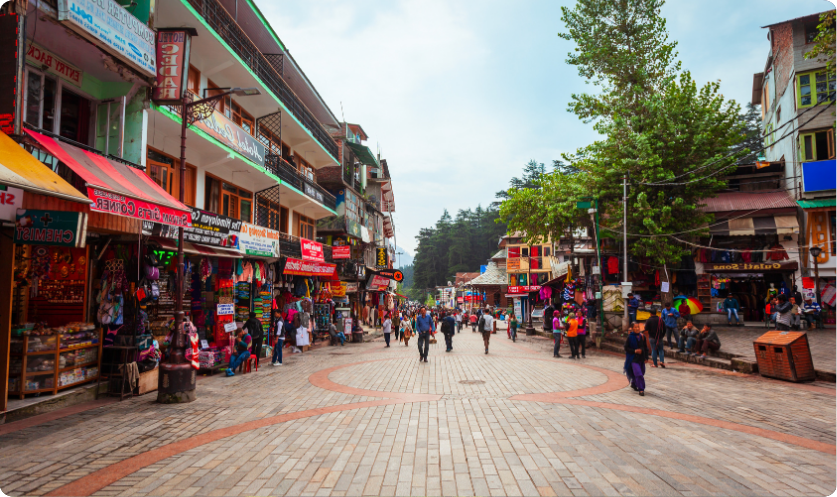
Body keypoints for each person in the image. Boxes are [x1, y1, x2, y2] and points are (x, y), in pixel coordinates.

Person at [624, 322, 649, 396]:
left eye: (638, 327)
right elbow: (626, 348)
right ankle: (641, 389)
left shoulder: (642, 336)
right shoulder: (630, 337)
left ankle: (634, 383)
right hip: (633, 359)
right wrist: (635, 351)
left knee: (642, 372)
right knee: (638, 374)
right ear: (632, 328)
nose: (637, 328)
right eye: (635, 327)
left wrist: (646, 357)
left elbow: (645, 348)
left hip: (641, 358)